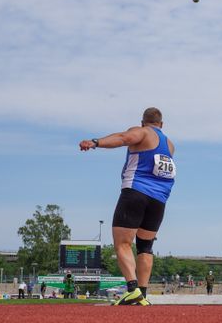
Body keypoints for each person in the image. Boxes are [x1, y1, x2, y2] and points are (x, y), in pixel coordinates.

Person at [80, 107, 176, 306]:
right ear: (162, 125)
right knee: (145, 247)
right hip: (159, 200)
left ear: (143, 122)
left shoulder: (142, 132)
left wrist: (95, 142)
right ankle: (142, 294)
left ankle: (132, 289)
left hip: (136, 192)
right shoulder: (170, 145)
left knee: (123, 243)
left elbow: (123, 138)